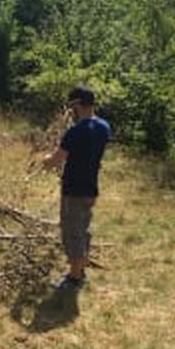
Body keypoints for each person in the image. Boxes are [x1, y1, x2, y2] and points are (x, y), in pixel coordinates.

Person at [42, 85, 111, 290]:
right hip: (91, 188)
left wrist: (44, 159)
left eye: (72, 106)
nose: (70, 111)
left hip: (74, 190)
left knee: (72, 233)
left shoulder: (75, 131)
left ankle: (74, 278)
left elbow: (55, 161)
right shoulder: (104, 127)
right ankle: (80, 270)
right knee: (83, 229)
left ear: (78, 105)